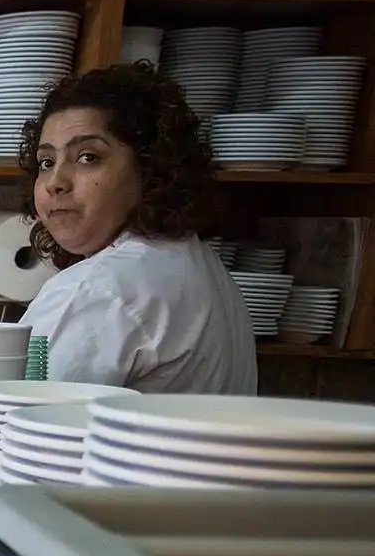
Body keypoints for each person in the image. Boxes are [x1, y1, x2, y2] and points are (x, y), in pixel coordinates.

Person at [17, 62, 257, 394]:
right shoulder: (203, 266)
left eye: (88, 157)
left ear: (150, 167)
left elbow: (13, 414)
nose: (55, 182)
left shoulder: (98, 290)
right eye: (46, 162)